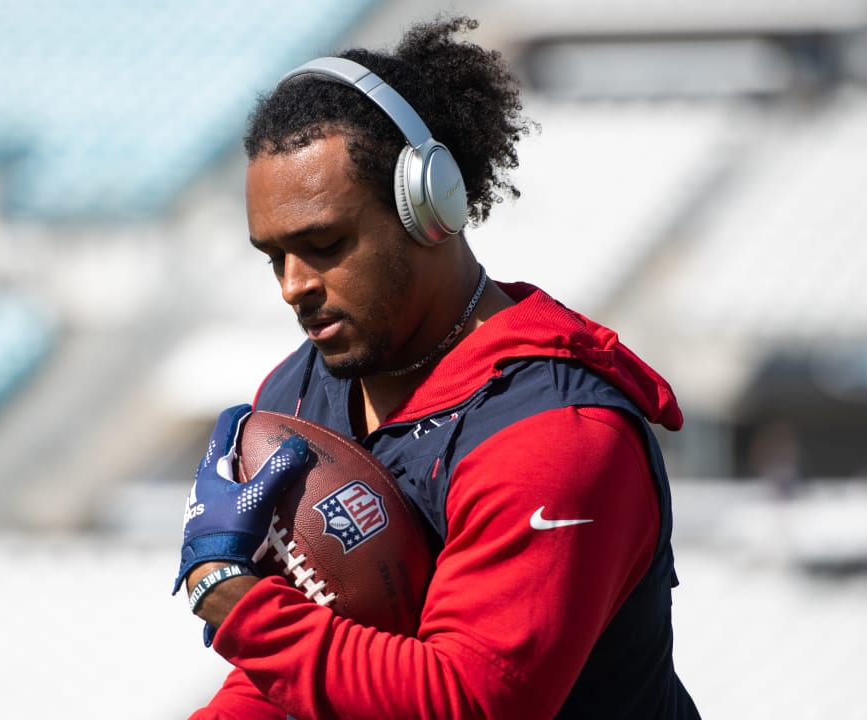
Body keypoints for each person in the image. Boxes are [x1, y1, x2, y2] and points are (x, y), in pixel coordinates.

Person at [173, 16, 700, 719]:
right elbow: (289, 677)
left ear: (429, 208)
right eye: (275, 256)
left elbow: (471, 702)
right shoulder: (297, 393)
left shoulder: (555, 432)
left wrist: (232, 595)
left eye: (324, 243)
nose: (292, 284)